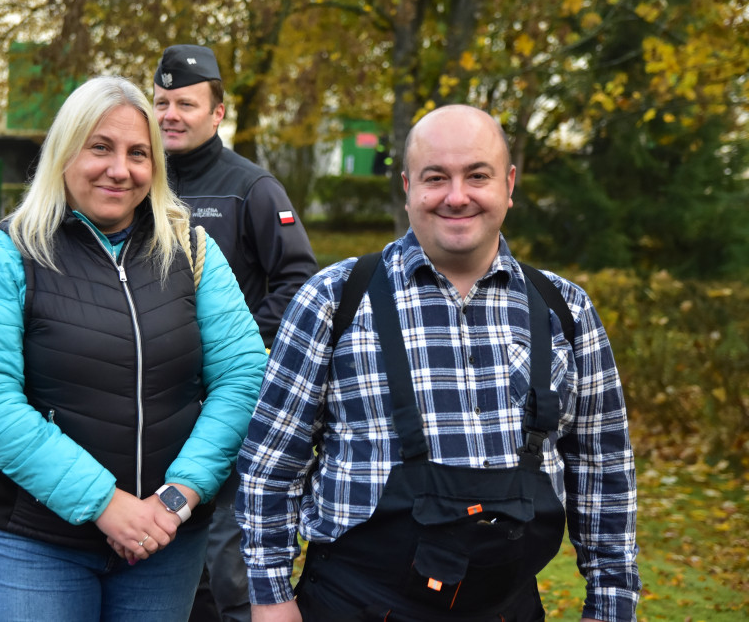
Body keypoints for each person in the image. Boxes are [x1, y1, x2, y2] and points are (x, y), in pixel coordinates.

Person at [236, 104, 640, 622]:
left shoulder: (565, 310)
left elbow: (603, 470)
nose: (456, 196)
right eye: (435, 178)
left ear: (509, 185)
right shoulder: (332, 301)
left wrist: (611, 603)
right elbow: (271, 466)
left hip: (505, 608)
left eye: (477, 175)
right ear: (407, 187)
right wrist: (271, 597)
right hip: (353, 604)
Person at [0, 75, 268, 621]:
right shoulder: (7, 254)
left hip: (167, 543)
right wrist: (105, 504)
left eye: (138, 153)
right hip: (40, 543)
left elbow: (243, 374)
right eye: (101, 147)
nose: (120, 169)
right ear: (65, 151)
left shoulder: (190, 249)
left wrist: (178, 496)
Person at [152, 44, 318, 622]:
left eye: (186, 104)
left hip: (227, 399)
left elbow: (298, 280)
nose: (171, 114)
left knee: (229, 556)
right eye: (162, 102)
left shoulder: (252, 188)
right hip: (155, 399)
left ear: (218, 113)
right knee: (166, 545)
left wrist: (234, 342)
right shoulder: (136, 183)